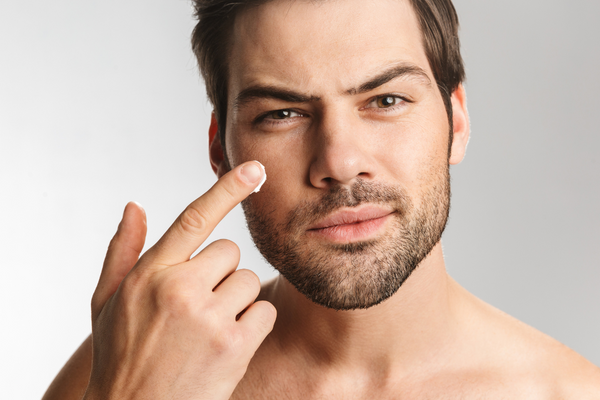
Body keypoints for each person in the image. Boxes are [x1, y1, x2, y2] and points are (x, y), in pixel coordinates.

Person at [43, 0, 600, 398]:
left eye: (385, 99)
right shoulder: (134, 368)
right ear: (222, 149)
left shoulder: (566, 392)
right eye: (281, 114)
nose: (338, 161)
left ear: (456, 122)